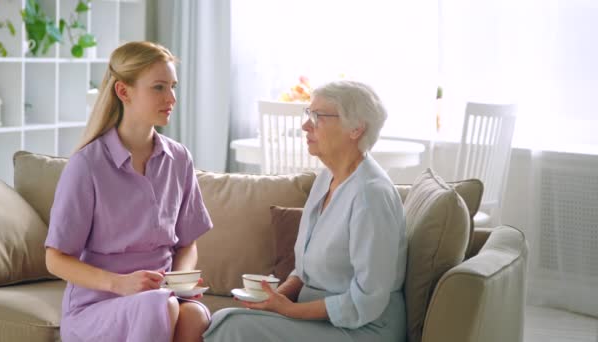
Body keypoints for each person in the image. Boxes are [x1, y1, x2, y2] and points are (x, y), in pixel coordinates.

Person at [203, 80, 407, 342]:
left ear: (356, 129)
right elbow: (304, 271)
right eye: (308, 114)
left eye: (318, 116)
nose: (305, 125)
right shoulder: (326, 179)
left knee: (232, 326)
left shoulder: (371, 195)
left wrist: (291, 310)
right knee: (229, 318)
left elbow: (367, 300)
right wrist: (275, 299)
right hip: (321, 322)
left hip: (362, 330)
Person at [44, 41, 213, 342]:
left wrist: (177, 281)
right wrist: (121, 284)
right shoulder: (88, 165)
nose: (172, 97)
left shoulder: (179, 160)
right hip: (97, 308)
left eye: (173, 86)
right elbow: (55, 258)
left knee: (194, 314)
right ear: (124, 92)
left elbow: (187, 243)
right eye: (159, 88)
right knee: (161, 306)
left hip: (162, 299)